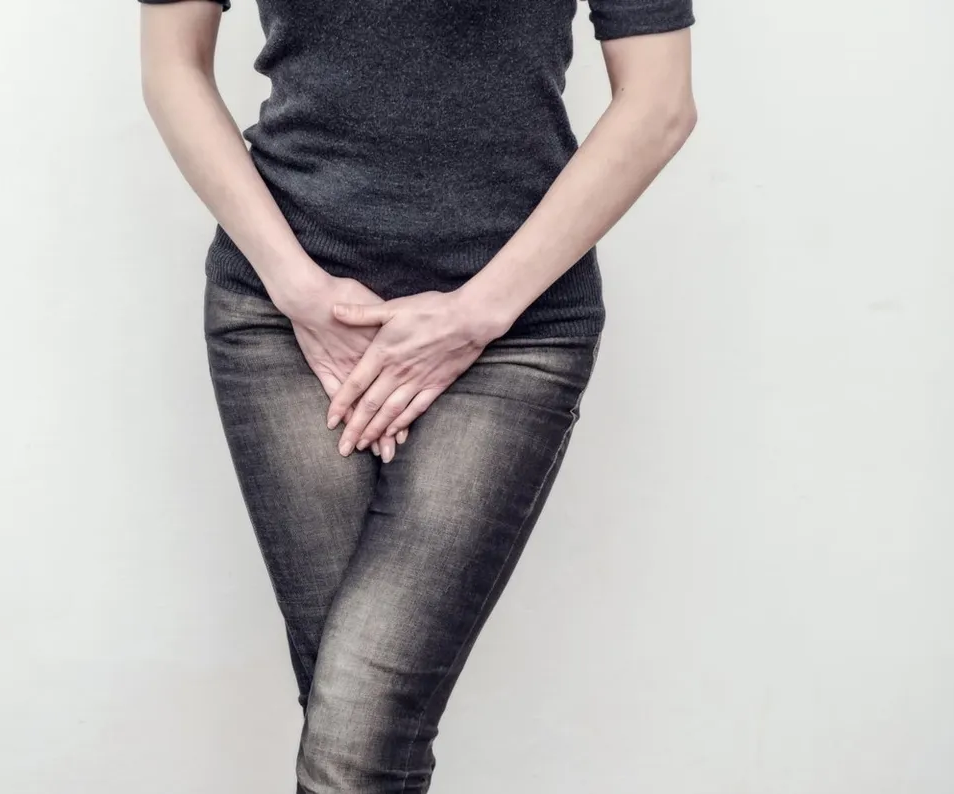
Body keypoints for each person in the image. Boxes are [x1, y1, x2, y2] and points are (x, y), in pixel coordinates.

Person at [139, 0, 695, 790]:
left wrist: (476, 313)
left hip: (513, 330)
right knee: (358, 729)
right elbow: (172, 65)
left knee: (358, 730)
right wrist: (296, 285)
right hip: (288, 317)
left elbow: (661, 101)